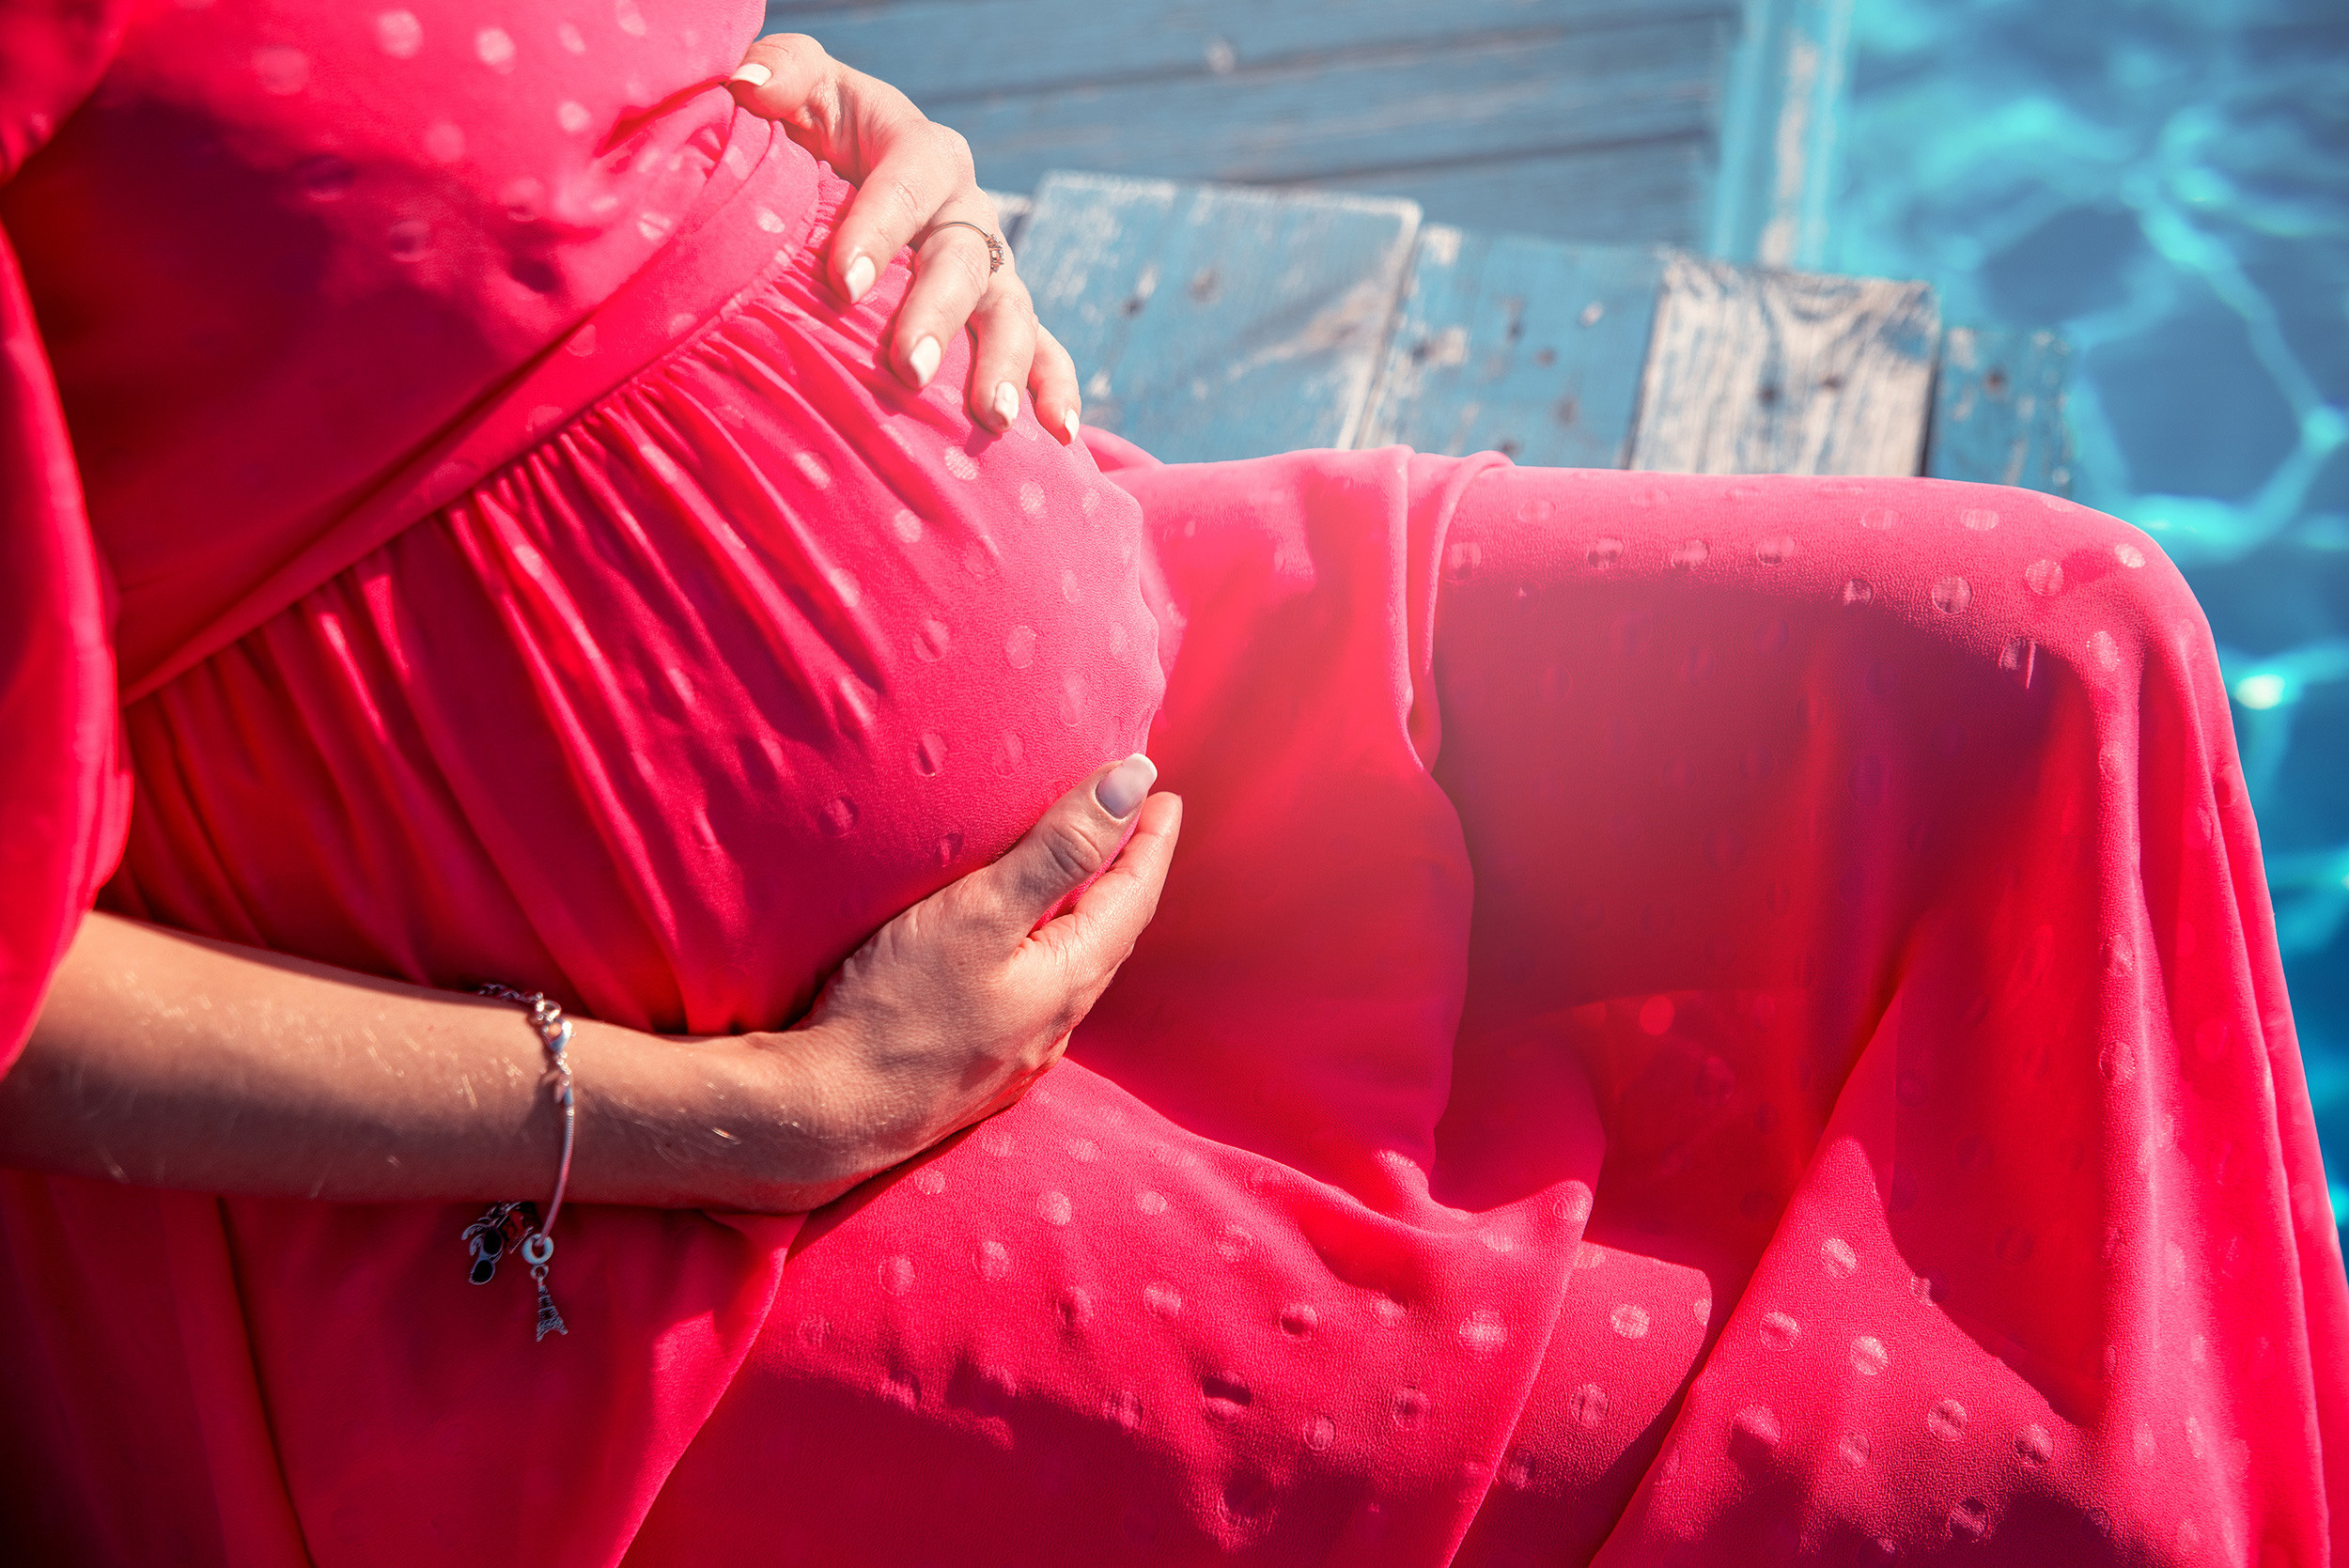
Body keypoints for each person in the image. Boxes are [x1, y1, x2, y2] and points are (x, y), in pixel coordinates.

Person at [1, 4, 2341, 1562]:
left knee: (2060, 650)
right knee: (1958, 1506)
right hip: (632, 1176)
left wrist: (817, 125)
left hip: (1155, 706)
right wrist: (745, 1119)